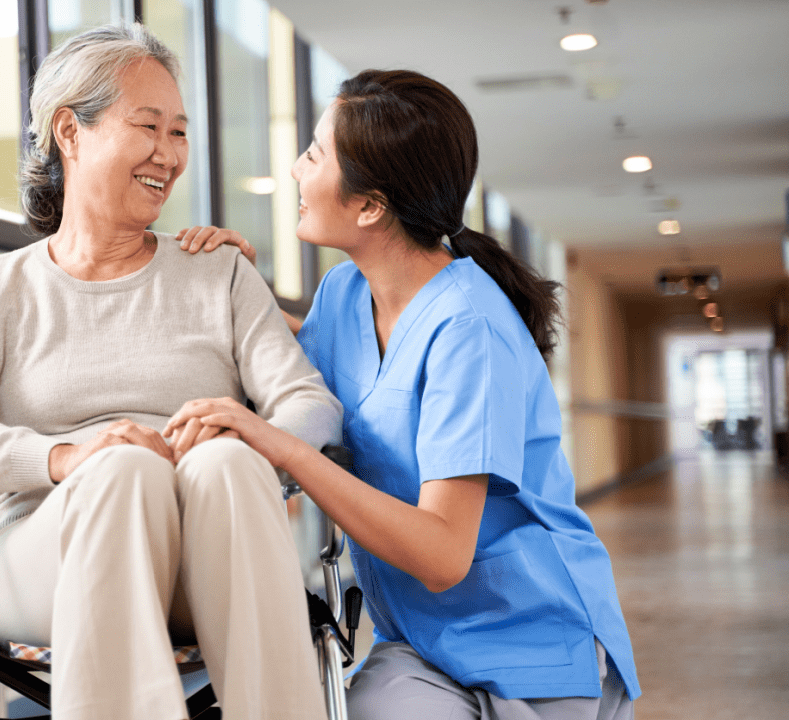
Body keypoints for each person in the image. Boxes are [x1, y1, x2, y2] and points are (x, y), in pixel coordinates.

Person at [169, 69, 640, 719]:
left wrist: (284, 449)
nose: (298, 170)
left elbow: (443, 553)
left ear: (370, 206)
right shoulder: (344, 294)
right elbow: (295, 368)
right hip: (423, 643)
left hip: (532, 642)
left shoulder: (470, 328)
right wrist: (236, 285)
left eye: (314, 154)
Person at [0, 24, 342, 720]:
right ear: (69, 135)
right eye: (148, 126)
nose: (168, 155)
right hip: (41, 555)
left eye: (179, 133)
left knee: (227, 461)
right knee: (122, 469)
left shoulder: (218, 271)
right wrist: (69, 457)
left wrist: (247, 435)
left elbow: (309, 403)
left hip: (207, 558)